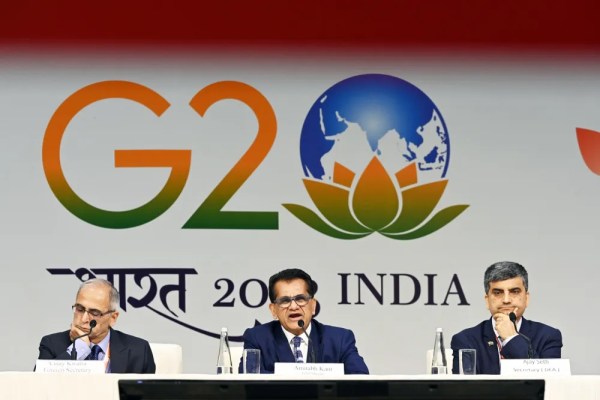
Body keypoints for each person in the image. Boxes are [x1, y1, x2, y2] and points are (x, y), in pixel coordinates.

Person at [239, 268, 369, 374]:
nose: (294, 307)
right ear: (273, 310)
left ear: (313, 306)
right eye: (285, 301)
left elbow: (360, 379)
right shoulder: (257, 338)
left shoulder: (339, 339)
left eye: (300, 299)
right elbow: (249, 379)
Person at [450, 261, 562, 374]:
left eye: (515, 291)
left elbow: (547, 382)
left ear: (526, 298)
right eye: (498, 293)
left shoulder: (548, 336)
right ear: (487, 300)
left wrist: (511, 338)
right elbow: (463, 389)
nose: (506, 300)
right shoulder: (466, 340)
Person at [37, 278, 155, 373]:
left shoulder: (138, 350)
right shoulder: (51, 344)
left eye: (94, 313)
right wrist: (80, 348)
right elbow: (37, 388)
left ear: (113, 318)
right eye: (80, 309)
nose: (84, 319)